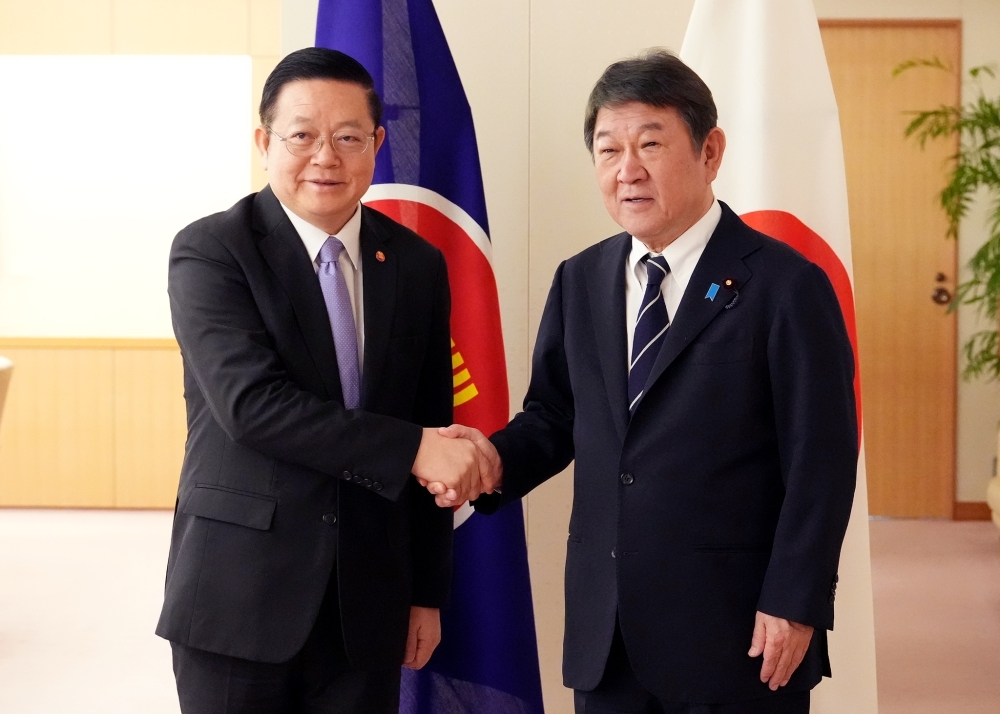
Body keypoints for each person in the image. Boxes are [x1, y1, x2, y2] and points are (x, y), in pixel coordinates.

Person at [425, 50, 857, 714]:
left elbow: (821, 460)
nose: (627, 170)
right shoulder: (582, 279)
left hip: (738, 631)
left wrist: (795, 600)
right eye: (608, 149)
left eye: (650, 144)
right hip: (610, 630)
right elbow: (553, 418)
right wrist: (488, 465)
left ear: (710, 151)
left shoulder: (787, 285)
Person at [156, 47, 489, 714]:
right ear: (264, 142)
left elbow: (431, 416)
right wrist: (413, 448)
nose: (325, 157)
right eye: (302, 135)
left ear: (378, 144)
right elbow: (254, 408)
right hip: (239, 596)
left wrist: (425, 590)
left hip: (367, 603)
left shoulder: (417, 265)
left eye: (348, 137)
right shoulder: (212, 251)